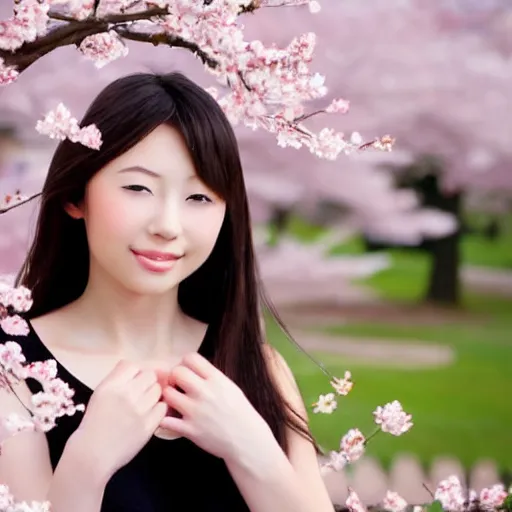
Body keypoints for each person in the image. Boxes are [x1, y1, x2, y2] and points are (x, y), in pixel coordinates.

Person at [0, 72, 334, 512]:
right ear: (75, 197)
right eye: (138, 188)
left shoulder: (259, 368)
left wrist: (252, 449)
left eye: (199, 198)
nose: (168, 226)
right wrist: (86, 463)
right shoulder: (13, 369)